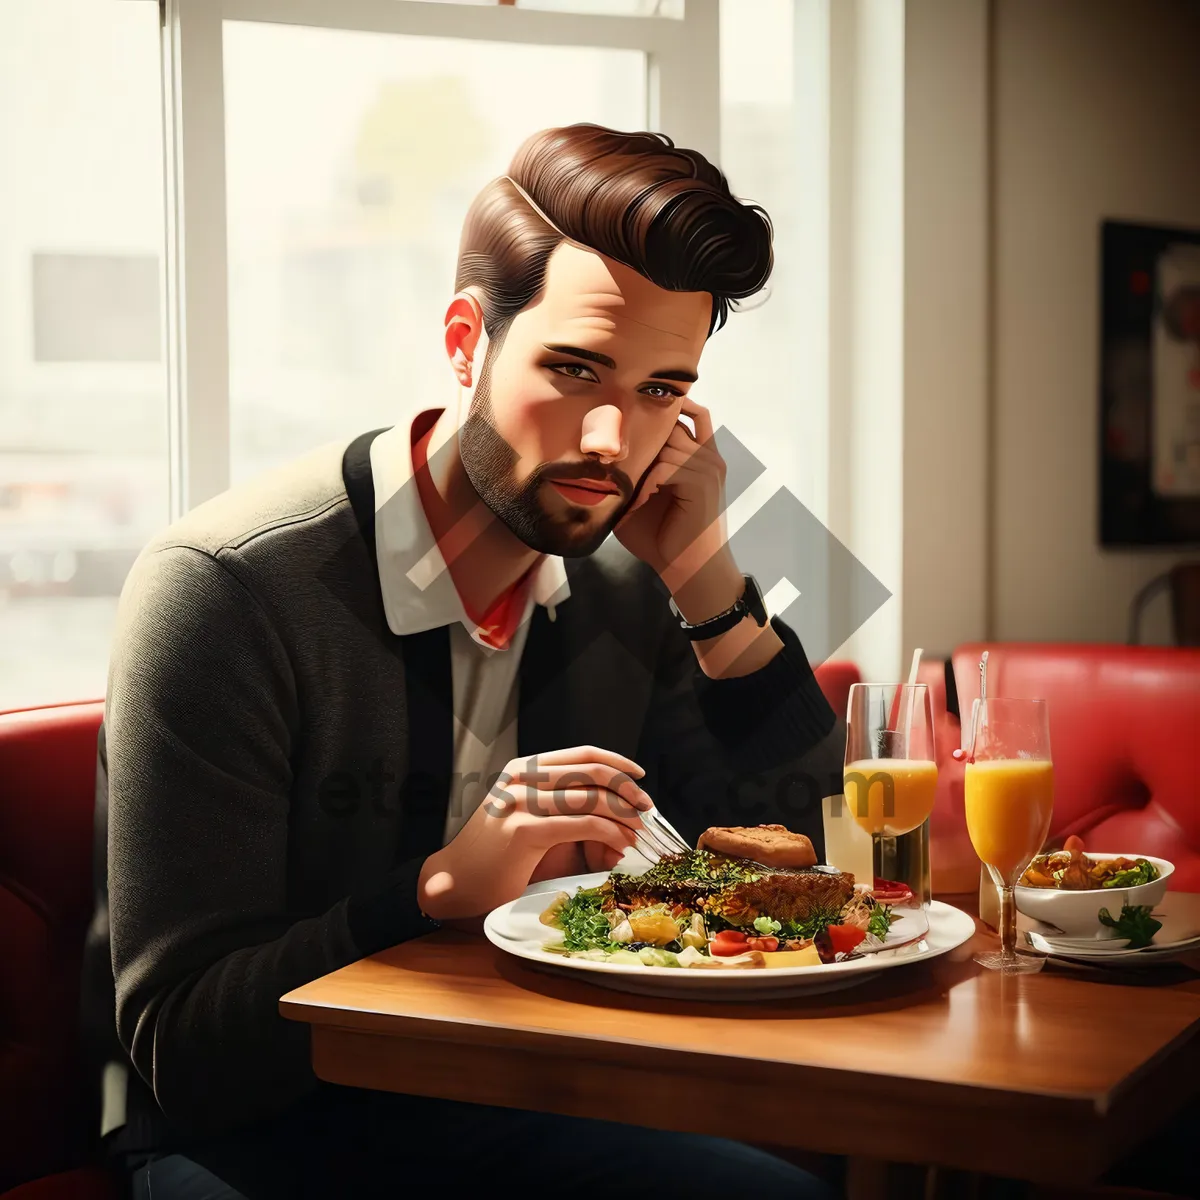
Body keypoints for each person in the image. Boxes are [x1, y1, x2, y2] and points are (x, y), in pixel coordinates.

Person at [83, 123, 845, 1199]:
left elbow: (805, 872)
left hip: (516, 1101)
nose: (608, 441)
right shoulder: (224, 586)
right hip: (240, 1142)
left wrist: (709, 583)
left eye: (660, 390)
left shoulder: (630, 585)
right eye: (574, 370)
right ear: (463, 341)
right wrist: (435, 889)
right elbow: (184, 1048)